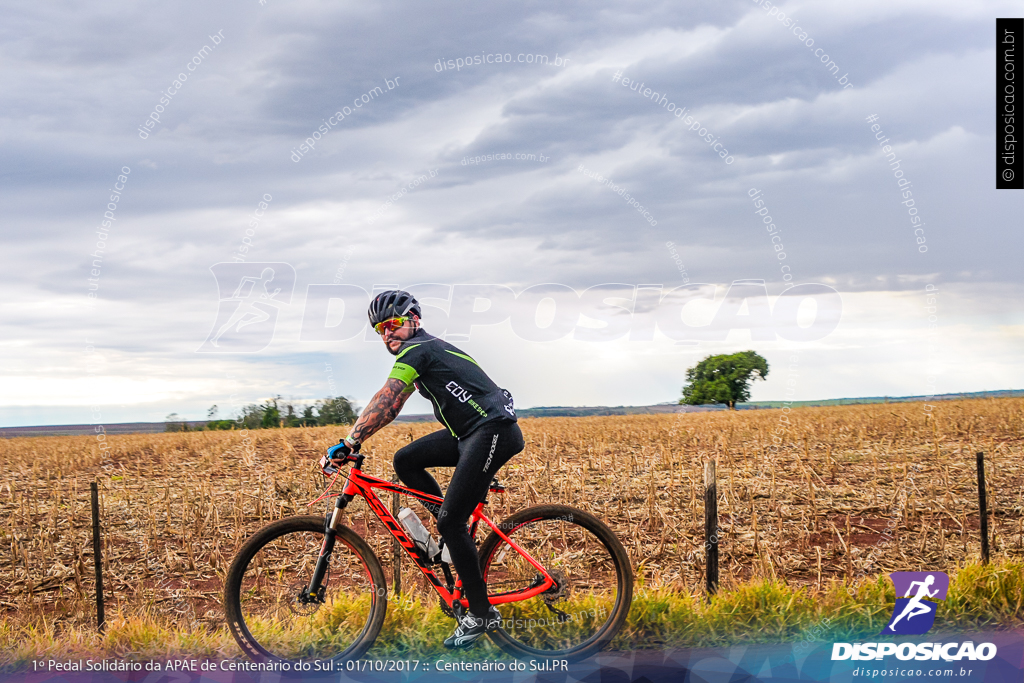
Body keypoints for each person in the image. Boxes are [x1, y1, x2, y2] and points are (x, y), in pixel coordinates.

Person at [327, 290, 524, 648]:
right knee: (406, 460)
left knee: (450, 520)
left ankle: (481, 614)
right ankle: (451, 540)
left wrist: (351, 441)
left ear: (414, 320)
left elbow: (388, 399)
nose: (387, 334)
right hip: (469, 434)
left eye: (392, 325)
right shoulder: (417, 353)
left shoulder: (418, 348)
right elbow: (397, 401)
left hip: (494, 430)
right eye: (379, 330)